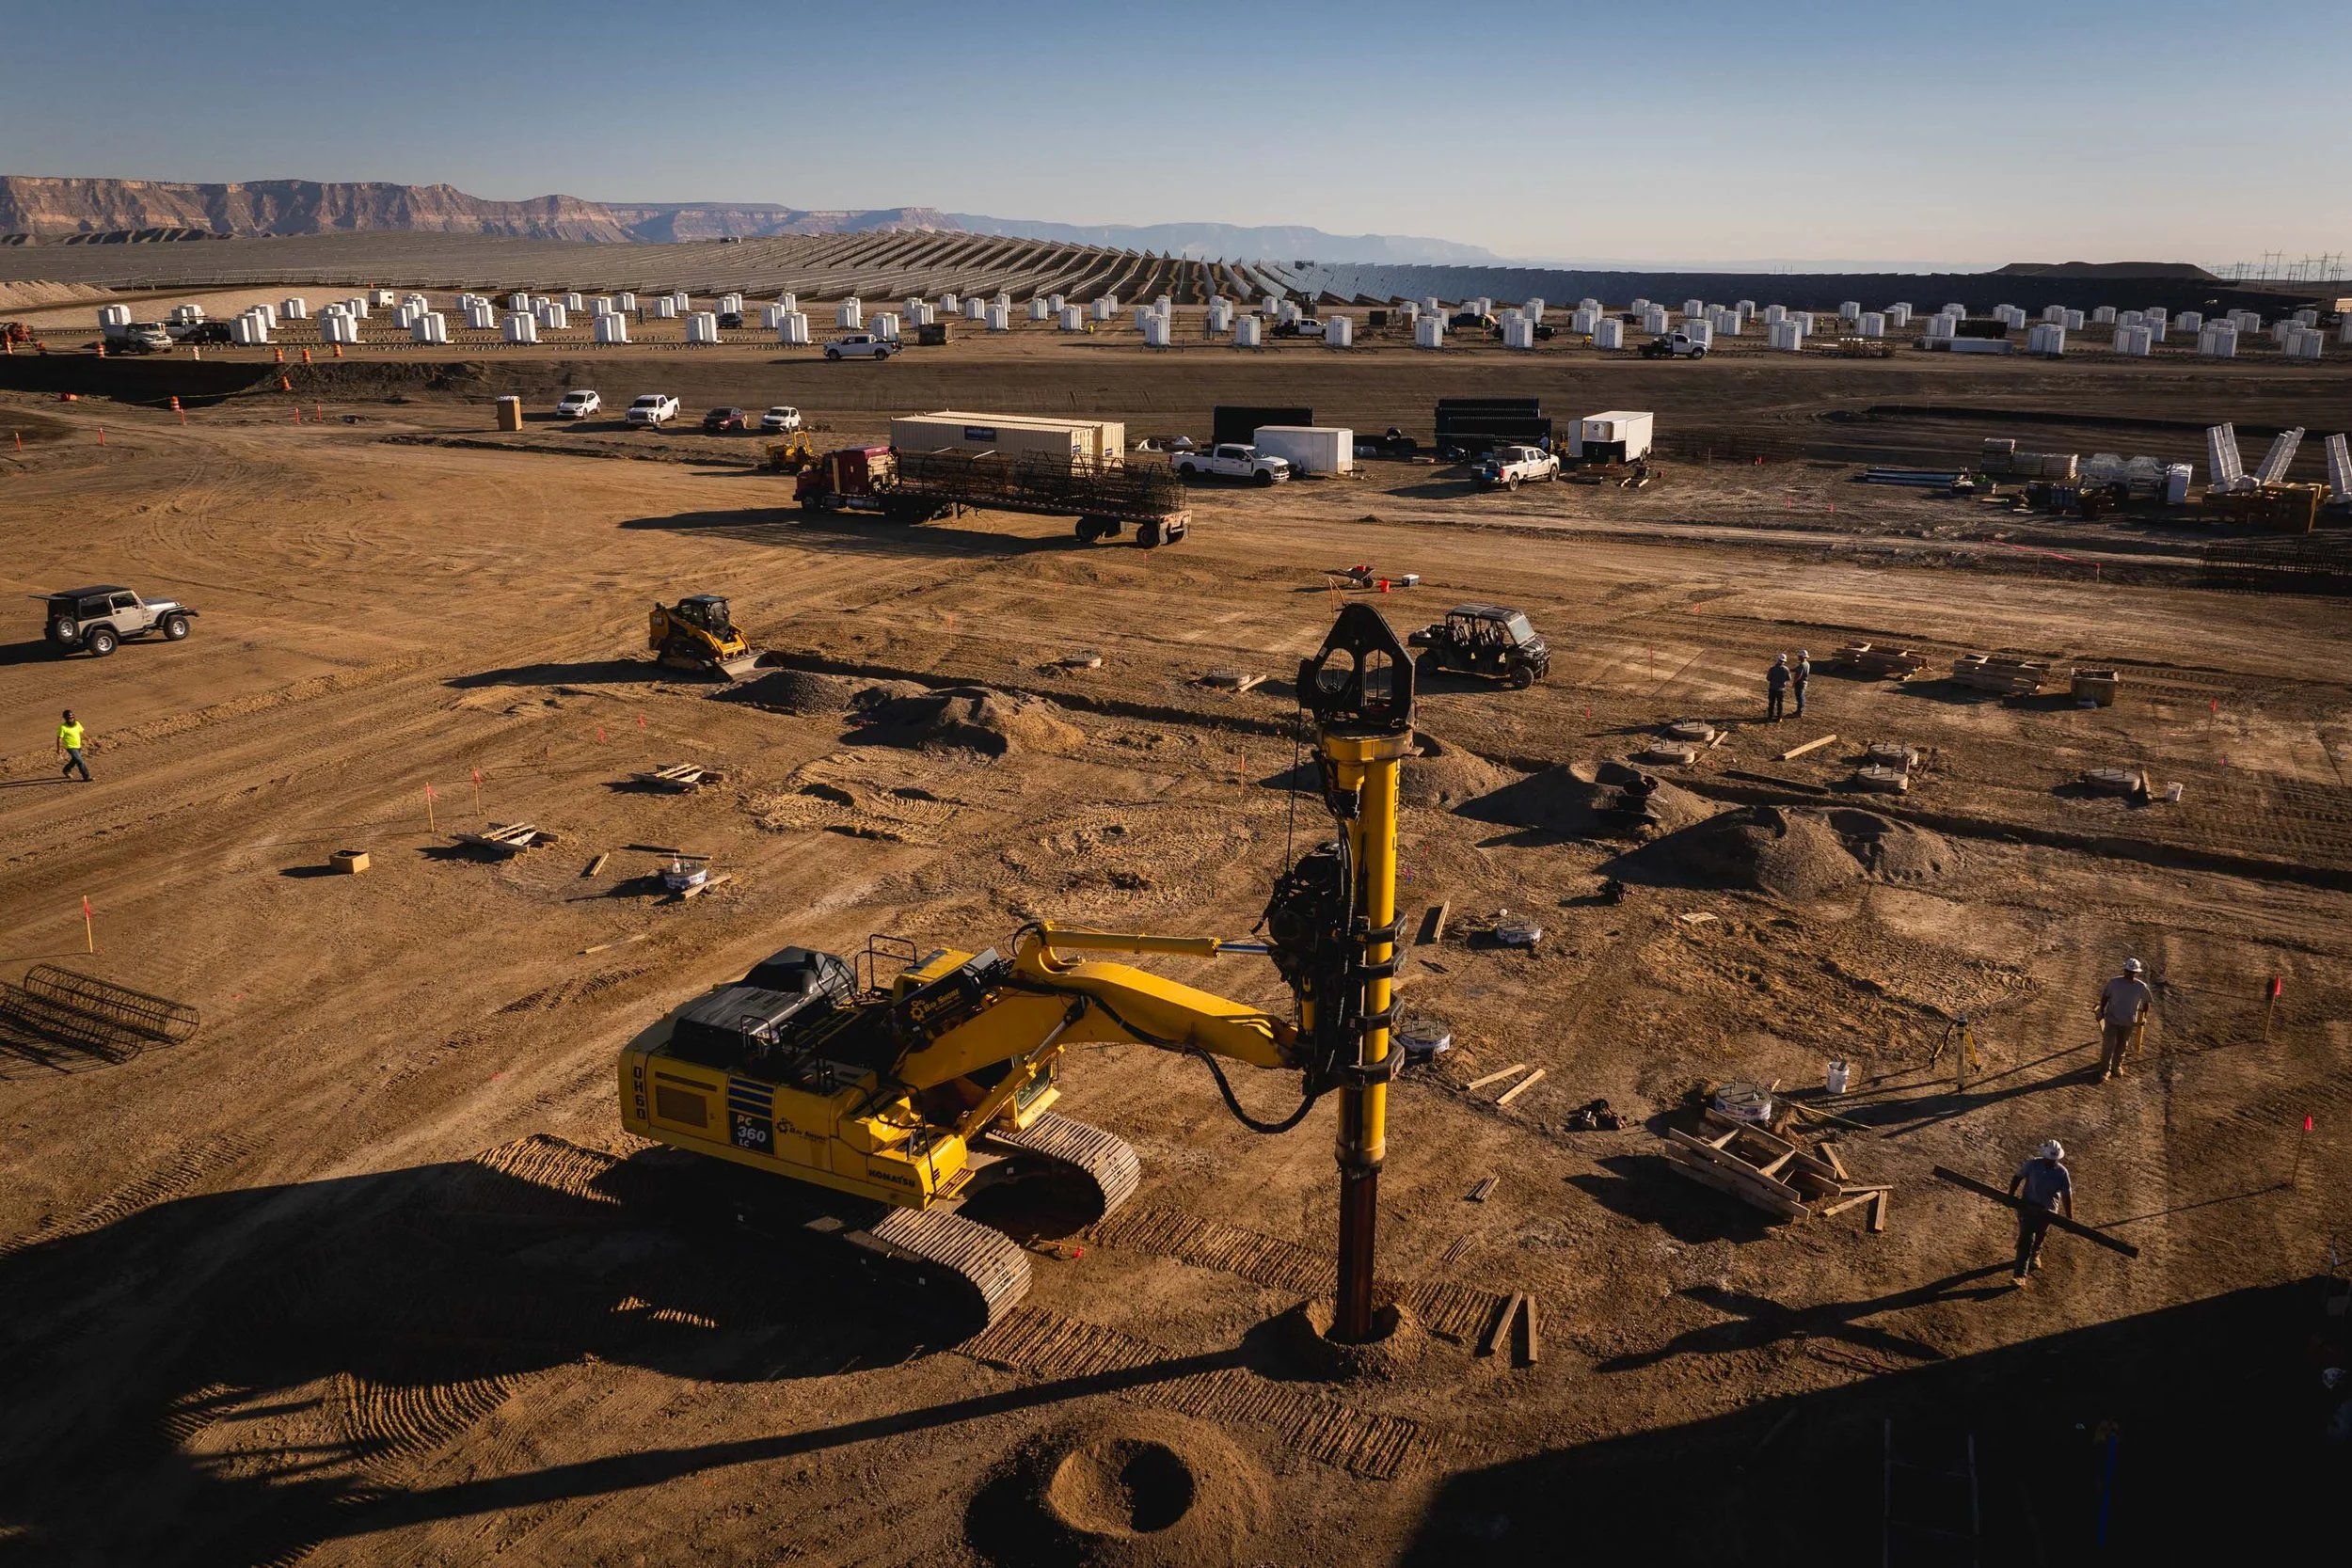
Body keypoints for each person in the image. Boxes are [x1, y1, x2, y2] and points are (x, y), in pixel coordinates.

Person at [2009, 1139, 2073, 1284]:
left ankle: (2036, 1251)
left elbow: (2067, 1195)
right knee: (2026, 1238)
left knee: (2040, 1233)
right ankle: (2020, 1275)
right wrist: (2010, 1196)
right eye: (2049, 1158)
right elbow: (2017, 1177)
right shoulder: (2032, 1164)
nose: (2051, 1161)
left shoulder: (2062, 1173)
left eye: (2053, 1159)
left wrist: (2069, 1218)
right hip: (2027, 1207)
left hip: (2047, 1211)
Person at [2092, 957, 2154, 1081]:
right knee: (2108, 1045)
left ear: (2136, 973)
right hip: (2112, 1019)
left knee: (2122, 1046)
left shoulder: (2141, 987)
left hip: (2128, 1022)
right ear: (2124, 969)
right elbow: (2105, 996)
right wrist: (2101, 1010)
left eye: (2131, 972)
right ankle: (2105, 1070)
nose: (2129, 973)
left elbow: (2146, 1002)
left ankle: (2117, 1066)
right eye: (2127, 971)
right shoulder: (2114, 983)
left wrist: (2144, 1017)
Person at [56, 709, 90, 782]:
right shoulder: (63, 727)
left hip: (78, 745)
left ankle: (66, 770)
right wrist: (59, 750)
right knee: (80, 761)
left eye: (72, 717)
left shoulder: (77, 724)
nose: (71, 719)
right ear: (65, 718)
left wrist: (88, 739)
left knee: (75, 760)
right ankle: (86, 777)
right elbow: (59, 739)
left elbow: (82, 732)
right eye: (69, 718)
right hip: (70, 747)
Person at [1765, 654, 1790, 721]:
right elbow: (1789, 678)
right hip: (1781, 689)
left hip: (1773, 688)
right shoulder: (1786, 669)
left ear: (1778, 660)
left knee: (1771, 703)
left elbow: (1768, 678)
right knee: (1780, 703)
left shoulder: (1772, 669)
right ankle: (1779, 717)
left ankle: (1770, 716)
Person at [1793, 649, 1812, 718]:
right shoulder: (1807, 664)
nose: (1798, 657)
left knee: (1800, 697)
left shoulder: (1802, 665)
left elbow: (1799, 675)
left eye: (1799, 656)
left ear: (1802, 657)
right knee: (1802, 697)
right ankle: (1799, 711)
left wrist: (1794, 682)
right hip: (1804, 682)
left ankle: (1799, 712)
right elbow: (1797, 669)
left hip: (1800, 683)